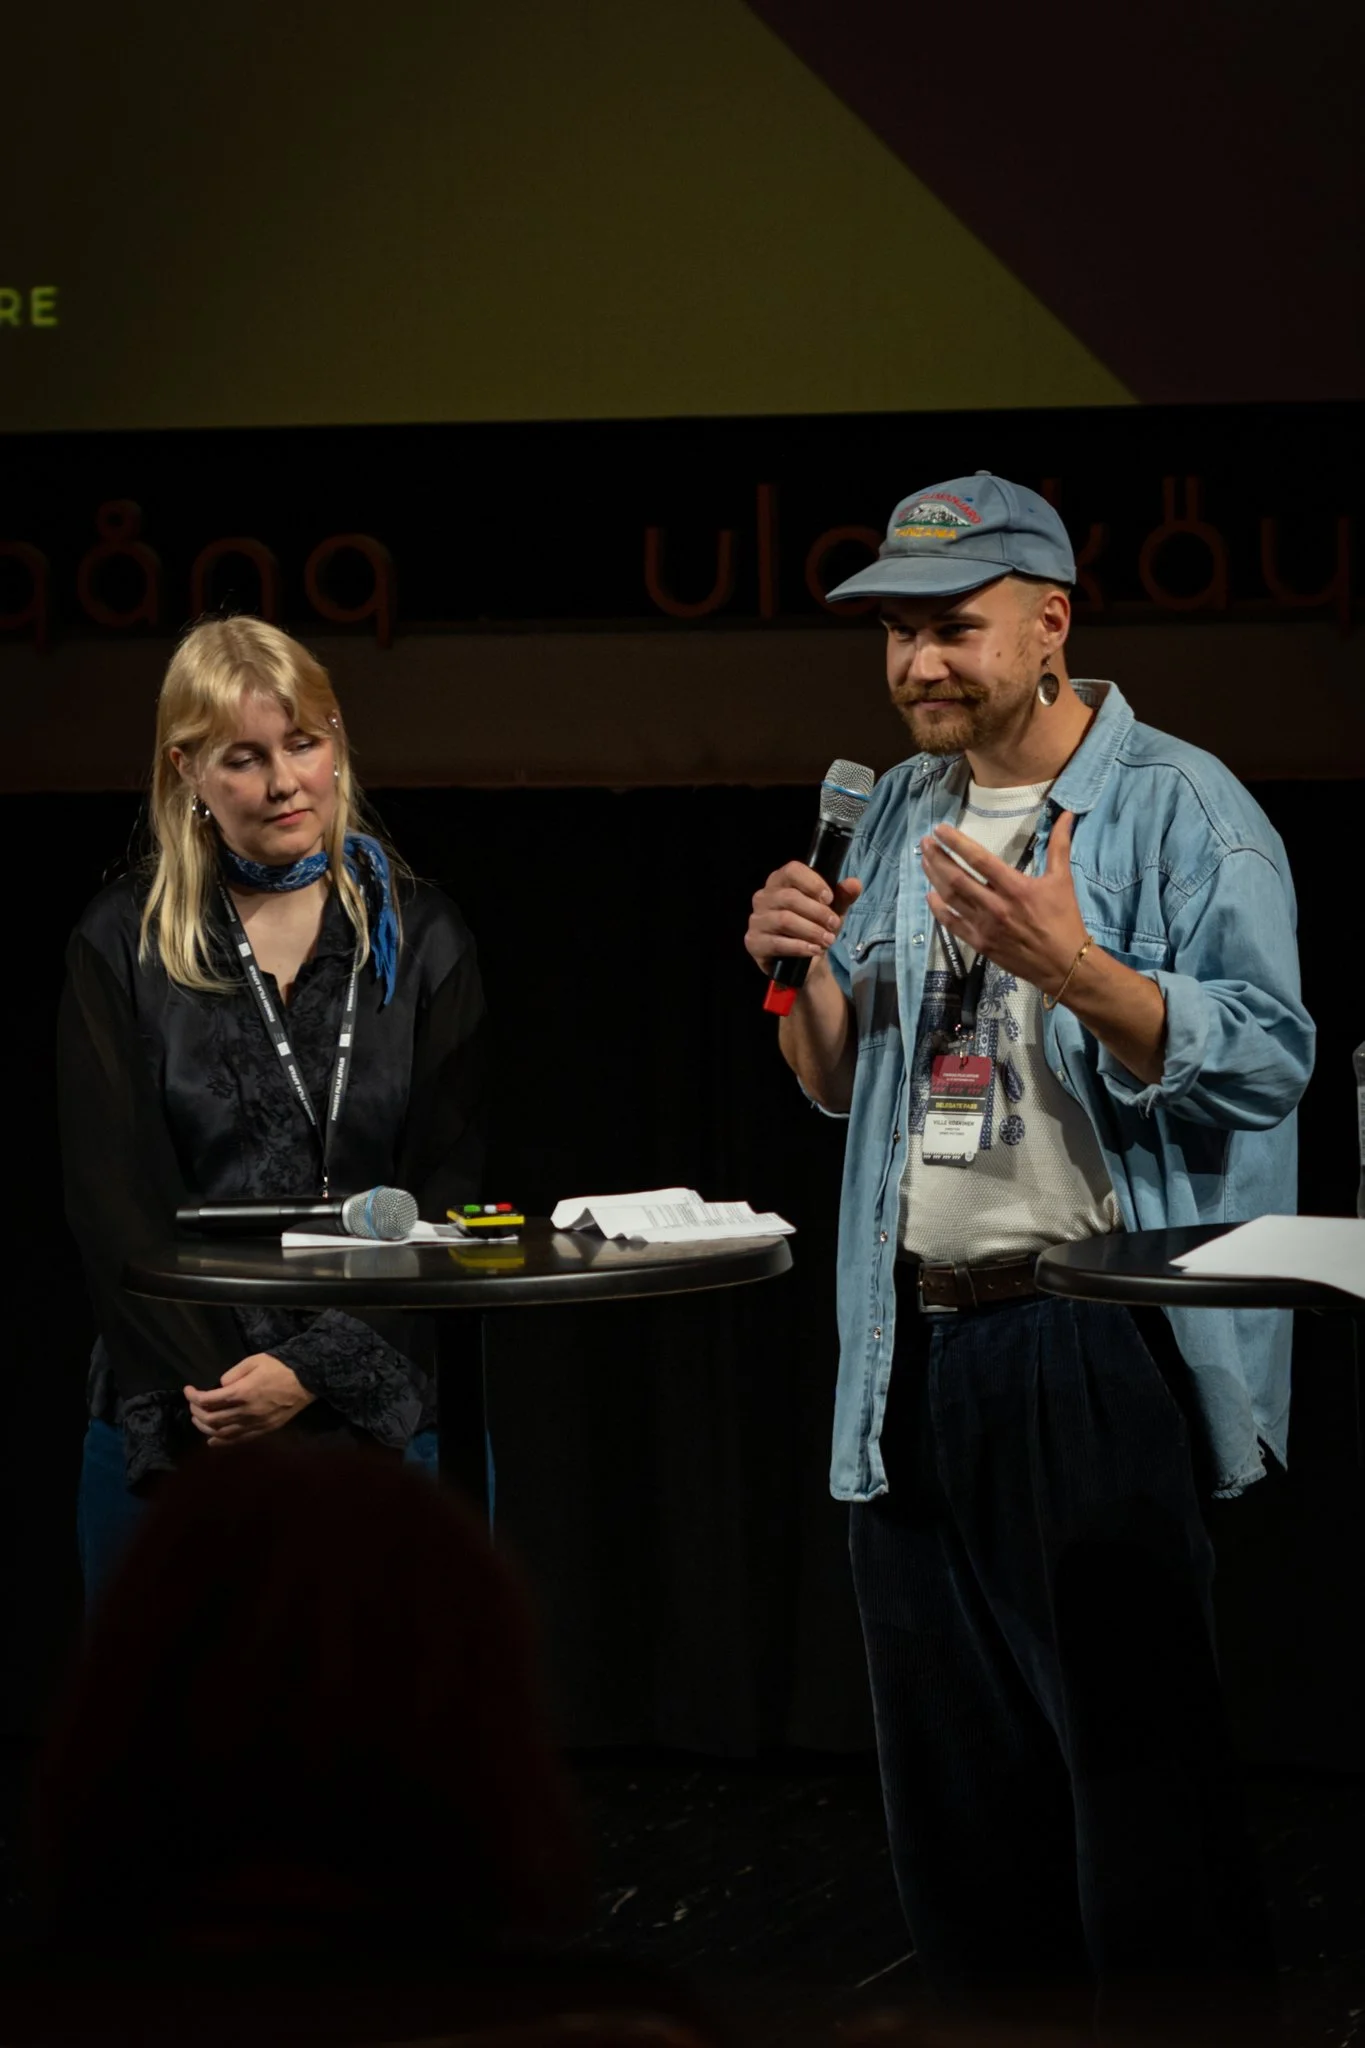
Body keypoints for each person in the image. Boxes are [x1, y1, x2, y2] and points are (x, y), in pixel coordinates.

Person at [744, 474, 1314, 2033]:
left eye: (953, 629)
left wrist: (1079, 969)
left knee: (1140, 1799)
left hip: (1091, 1340)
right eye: (897, 636)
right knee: (959, 1811)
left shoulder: (1182, 810)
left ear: (1050, 623)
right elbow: (850, 1090)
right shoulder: (906, 811)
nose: (919, 665)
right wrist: (803, 982)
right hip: (913, 1345)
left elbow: (1271, 1058)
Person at [59, 617, 486, 1596]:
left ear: (337, 740)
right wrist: (230, 1391)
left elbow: (450, 1184)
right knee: (171, 1741)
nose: (285, 781)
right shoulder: (121, 940)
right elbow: (107, 1196)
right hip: (182, 1420)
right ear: (188, 772)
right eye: (245, 758)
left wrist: (311, 1372)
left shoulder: (421, 938)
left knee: (386, 1740)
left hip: (382, 1414)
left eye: (304, 742)